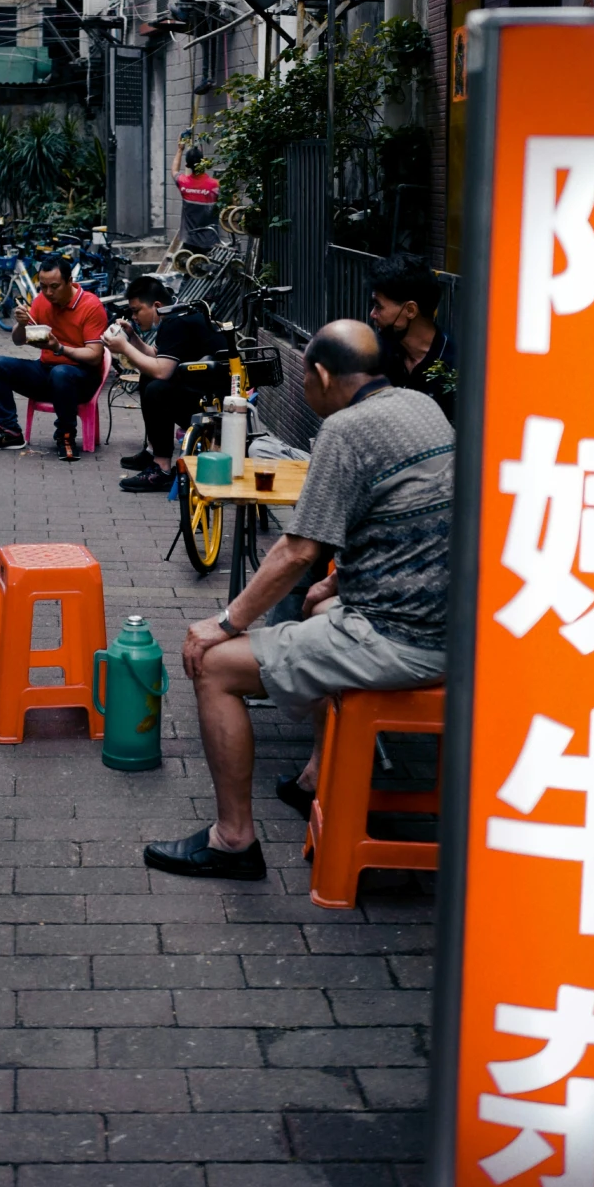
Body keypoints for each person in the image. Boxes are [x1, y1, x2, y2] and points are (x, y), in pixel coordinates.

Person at [143, 319, 452, 880]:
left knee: (212, 665)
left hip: (401, 639)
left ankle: (232, 841)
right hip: (448, 626)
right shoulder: (421, 407)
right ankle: (315, 776)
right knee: (314, 605)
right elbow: (413, 513)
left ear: (322, 374)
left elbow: (295, 551)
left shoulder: (347, 428)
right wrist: (337, 583)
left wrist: (226, 621)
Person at [103, 277, 230, 492]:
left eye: (136, 311)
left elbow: (162, 371)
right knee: (148, 377)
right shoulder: (177, 315)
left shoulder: (176, 322)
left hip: (215, 408)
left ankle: (161, 469)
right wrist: (132, 338)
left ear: (157, 306)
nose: (134, 317)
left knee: (157, 388)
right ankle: (153, 452)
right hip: (205, 392)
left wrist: (124, 347)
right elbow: (159, 356)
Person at [0, 252, 109, 461]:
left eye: (54, 287)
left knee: (61, 373)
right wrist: (20, 323)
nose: (48, 292)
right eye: (43, 286)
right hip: (47, 371)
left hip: (82, 378)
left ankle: (65, 436)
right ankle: (10, 431)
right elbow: (18, 340)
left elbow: (94, 356)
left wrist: (59, 348)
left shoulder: (91, 306)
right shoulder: (41, 301)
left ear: (69, 282)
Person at [368, 252, 456, 421]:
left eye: (379, 306)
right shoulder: (377, 352)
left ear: (410, 310)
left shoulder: (453, 367)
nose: (373, 314)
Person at [173, 137, 222, 254]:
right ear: (203, 162)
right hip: (211, 242)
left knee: (190, 270)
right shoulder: (216, 185)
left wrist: (180, 149)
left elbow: (174, 170)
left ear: (187, 165)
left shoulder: (183, 183)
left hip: (190, 242)